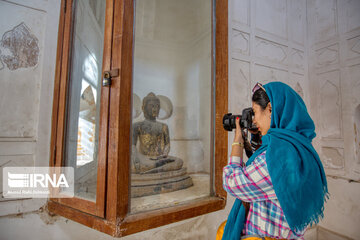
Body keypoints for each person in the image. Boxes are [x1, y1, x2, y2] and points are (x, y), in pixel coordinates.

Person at [220, 82, 328, 240]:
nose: (254, 120)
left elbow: (231, 182)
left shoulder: (278, 160)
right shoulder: (299, 148)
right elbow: (262, 165)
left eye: (255, 112)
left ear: (270, 109)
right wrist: (256, 137)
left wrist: (238, 141)